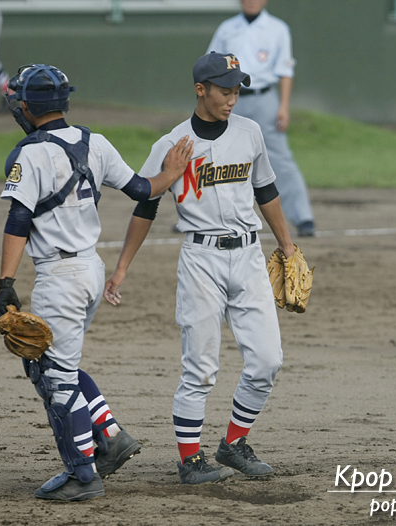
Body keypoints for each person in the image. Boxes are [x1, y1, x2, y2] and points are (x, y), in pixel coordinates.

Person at [0, 63, 193, 501]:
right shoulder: (95, 142)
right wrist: (171, 173)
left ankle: (82, 474)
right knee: (49, 363)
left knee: (56, 378)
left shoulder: (29, 154)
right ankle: (109, 433)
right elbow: (143, 189)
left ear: (26, 107)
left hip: (60, 278)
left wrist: (6, 283)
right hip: (90, 271)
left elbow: (19, 218)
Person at [104, 52, 297, 485]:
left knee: (268, 360)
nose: (233, 99)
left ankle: (232, 444)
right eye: (225, 91)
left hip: (248, 257)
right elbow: (145, 208)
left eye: (237, 91)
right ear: (200, 90)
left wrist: (286, 245)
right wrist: (121, 269)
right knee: (201, 366)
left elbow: (266, 190)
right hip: (201, 260)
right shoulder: (170, 145)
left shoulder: (250, 133)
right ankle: (189, 460)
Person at [207, 0, 315, 237]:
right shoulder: (227, 28)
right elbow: (210, 65)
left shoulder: (278, 29)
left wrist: (284, 106)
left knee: (281, 158)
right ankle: (203, 216)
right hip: (229, 98)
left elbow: (285, 71)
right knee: (216, 155)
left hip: (265, 98)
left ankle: (303, 217)